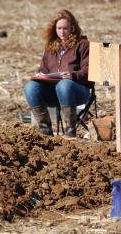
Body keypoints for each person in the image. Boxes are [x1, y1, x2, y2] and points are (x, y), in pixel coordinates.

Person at [24, 9, 94, 138]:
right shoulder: (51, 46)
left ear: (73, 28)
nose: (62, 32)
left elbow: (89, 71)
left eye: (65, 28)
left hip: (76, 91)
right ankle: (45, 131)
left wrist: (72, 75)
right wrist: (40, 75)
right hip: (53, 91)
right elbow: (44, 69)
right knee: (31, 86)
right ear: (54, 29)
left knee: (64, 84)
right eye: (59, 28)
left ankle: (69, 131)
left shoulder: (83, 45)